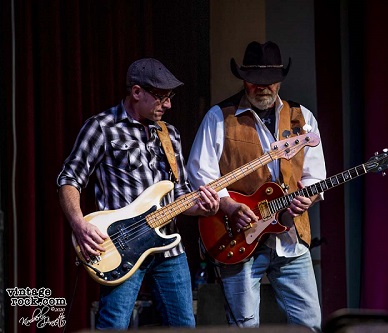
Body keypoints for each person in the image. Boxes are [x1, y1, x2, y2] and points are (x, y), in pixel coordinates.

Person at [57, 58, 220, 329]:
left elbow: (180, 193)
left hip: (168, 248)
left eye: (170, 96)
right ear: (136, 92)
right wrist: (79, 224)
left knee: (184, 326)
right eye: (161, 97)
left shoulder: (170, 135)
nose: (168, 105)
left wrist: (206, 207)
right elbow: (69, 179)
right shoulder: (101, 127)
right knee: (114, 326)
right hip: (121, 246)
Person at [187, 41, 326, 331]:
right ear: (243, 79)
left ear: (280, 81)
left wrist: (308, 199)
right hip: (237, 234)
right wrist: (230, 206)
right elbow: (201, 175)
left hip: (289, 237)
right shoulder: (219, 117)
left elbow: (314, 174)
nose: (263, 88)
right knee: (244, 325)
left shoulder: (302, 118)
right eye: (255, 82)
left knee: (310, 323)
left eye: (270, 82)